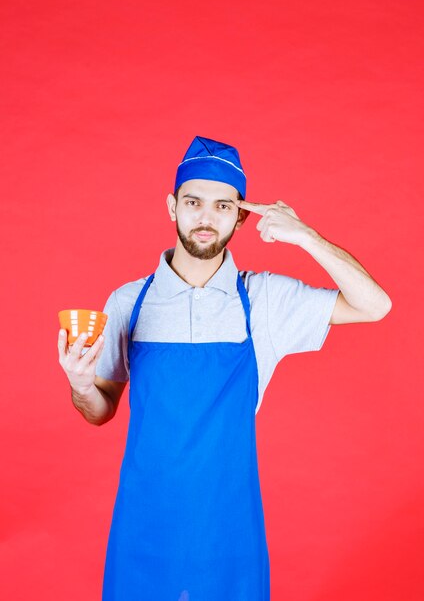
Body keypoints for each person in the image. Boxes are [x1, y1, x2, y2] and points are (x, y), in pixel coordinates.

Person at [58, 135, 392, 601]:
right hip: (143, 525)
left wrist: (304, 236)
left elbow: (375, 305)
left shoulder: (265, 300)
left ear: (240, 215)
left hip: (230, 530)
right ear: (172, 206)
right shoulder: (129, 302)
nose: (206, 218)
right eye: (194, 202)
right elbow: (99, 410)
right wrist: (80, 385)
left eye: (223, 205)